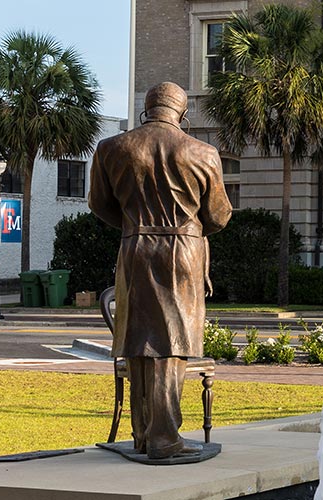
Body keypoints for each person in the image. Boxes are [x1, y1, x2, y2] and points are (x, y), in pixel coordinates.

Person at [89, 81, 233, 459]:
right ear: (182, 114)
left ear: (146, 109)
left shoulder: (111, 148)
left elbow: (99, 205)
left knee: (139, 340)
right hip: (183, 251)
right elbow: (218, 215)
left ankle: (143, 433)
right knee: (172, 343)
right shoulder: (202, 152)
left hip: (133, 246)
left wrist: (133, 224)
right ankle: (164, 437)